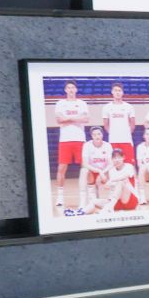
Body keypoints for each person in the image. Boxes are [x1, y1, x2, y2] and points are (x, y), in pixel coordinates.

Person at [51, 81, 90, 214]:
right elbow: (59, 120)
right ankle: (60, 197)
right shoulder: (60, 103)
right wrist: (76, 118)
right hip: (65, 140)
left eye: (73, 87)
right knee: (61, 168)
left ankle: (85, 197)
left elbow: (86, 119)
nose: (71, 89)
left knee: (85, 168)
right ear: (65, 90)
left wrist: (67, 118)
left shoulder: (82, 103)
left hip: (80, 139)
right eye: (69, 87)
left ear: (76, 89)